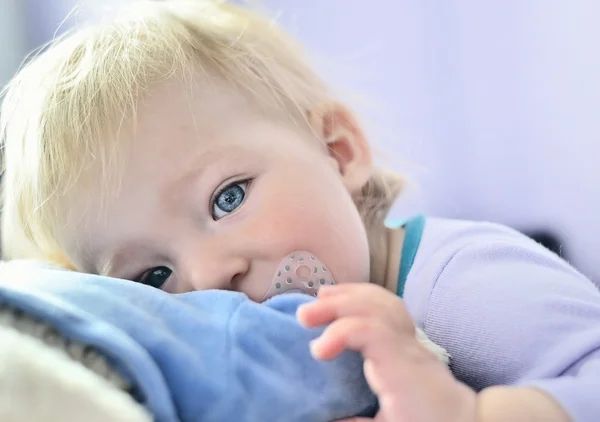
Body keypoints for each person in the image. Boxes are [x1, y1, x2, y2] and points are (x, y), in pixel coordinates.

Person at [1, 1, 598, 421]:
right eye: (153, 276)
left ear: (338, 152)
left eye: (226, 197)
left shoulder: (461, 284)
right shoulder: (254, 368)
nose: (209, 276)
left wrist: (472, 415)